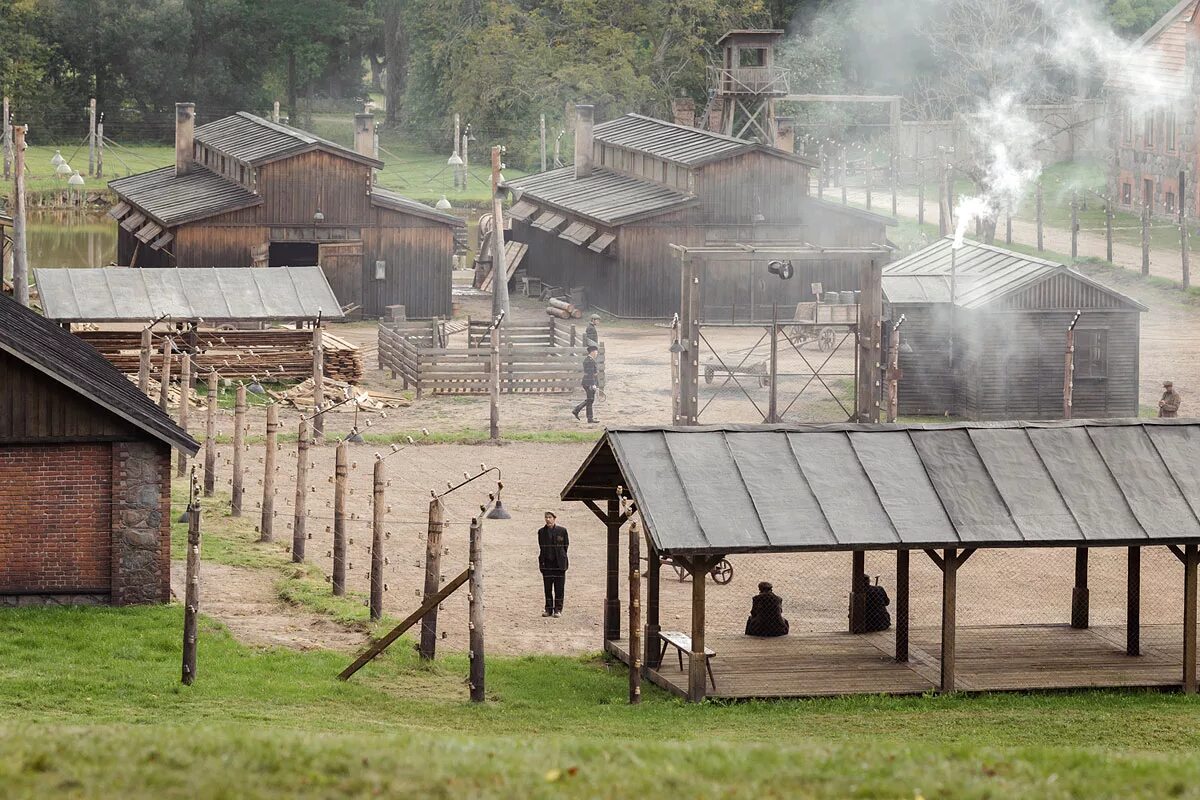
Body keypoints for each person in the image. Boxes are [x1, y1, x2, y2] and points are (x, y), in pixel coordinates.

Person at [537, 512, 569, 617]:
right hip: (547, 564)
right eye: (546, 517)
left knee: (559, 588)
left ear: (554, 518)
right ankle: (548, 609)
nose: (548, 520)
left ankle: (558, 610)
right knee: (547, 588)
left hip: (559, 564)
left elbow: (565, 546)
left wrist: (561, 556)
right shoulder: (541, 532)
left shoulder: (562, 531)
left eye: (550, 517)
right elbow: (541, 546)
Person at [572, 345, 599, 423]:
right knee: (590, 400)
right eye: (596, 352)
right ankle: (577, 410)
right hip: (588, 382)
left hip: (587, 382)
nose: (597, 353)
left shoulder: (589, 360)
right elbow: (591, 374)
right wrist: (593, 384)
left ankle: (589, 418)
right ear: (593, 352)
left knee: (590, 400)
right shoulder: (590, 361)